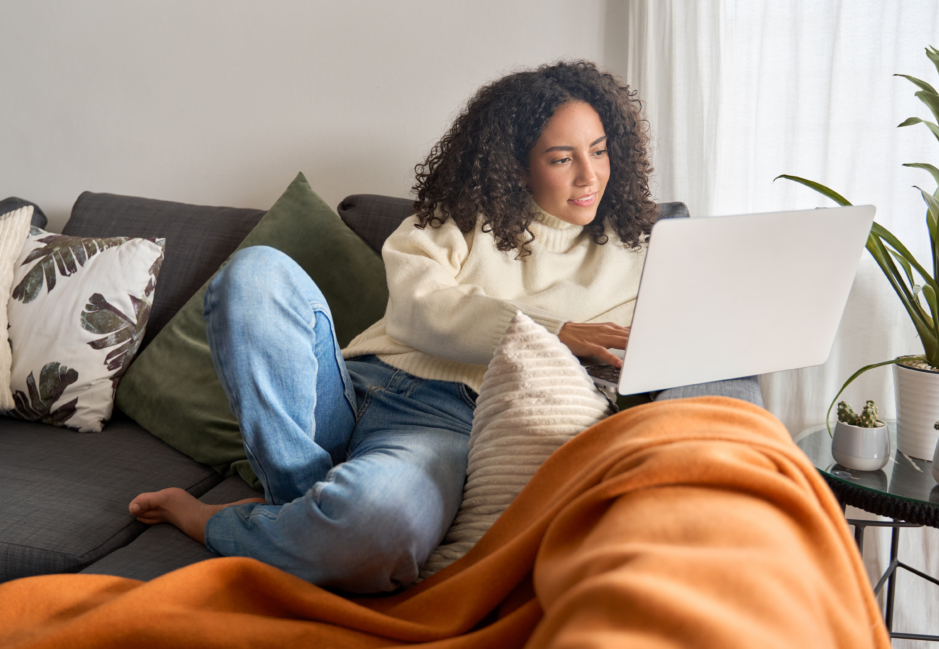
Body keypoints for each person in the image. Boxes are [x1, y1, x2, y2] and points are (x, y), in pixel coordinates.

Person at [128, 60, 763, 594]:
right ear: (519, 165)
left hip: (448, 429)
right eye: (562, 158)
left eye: (598, 151)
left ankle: (224, 525)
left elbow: (667, 362)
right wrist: (555, 330)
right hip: (352, 390)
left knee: (373, 530)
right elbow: (418, 308)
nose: (589, 175)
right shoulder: (457, 219)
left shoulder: (645, 255)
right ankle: (296, 499)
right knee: (254, 272)